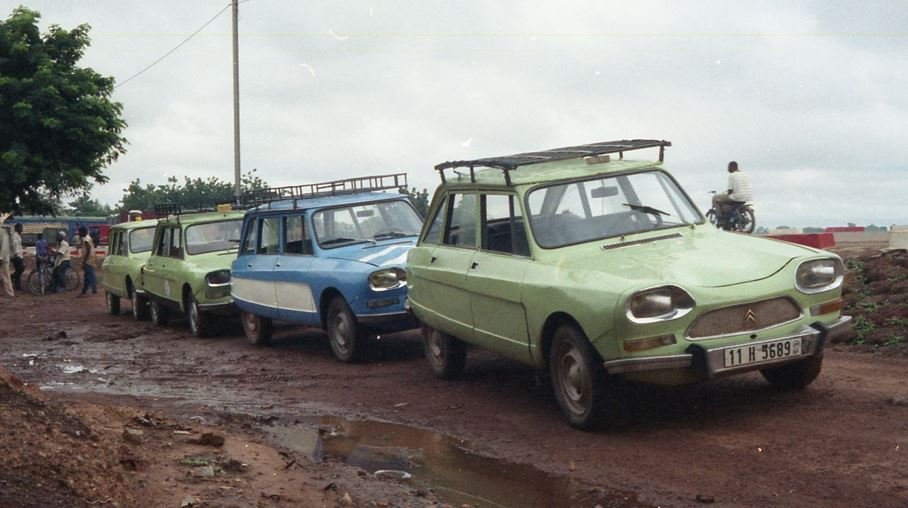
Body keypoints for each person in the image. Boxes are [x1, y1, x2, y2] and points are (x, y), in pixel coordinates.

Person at [77, 226, 97, 296]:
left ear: (83, 232)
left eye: (79, 232)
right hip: (90, 258)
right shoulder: (87, 238)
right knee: (87, 275)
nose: (78, 234)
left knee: (90, 274)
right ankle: (84, 290)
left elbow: (88, 251)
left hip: (88, 259)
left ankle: (93, 288)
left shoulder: (86, 239)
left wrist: (84, 261)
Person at [0, 226, 14, 297]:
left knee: (5, 275)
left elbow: (4, 247)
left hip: (3, 257)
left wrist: (1, 258)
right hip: (3, 257)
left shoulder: (3, 233)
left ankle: (9, 293)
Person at [11, 223, 24, 291]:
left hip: (19, 255)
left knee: (18, 270)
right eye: (20, 228)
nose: (22, 229)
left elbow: (18, 246)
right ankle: (11, 277)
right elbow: (14, 245)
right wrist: (17, 253)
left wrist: (22, 251)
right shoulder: (15, 236)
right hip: (16, 256)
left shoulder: (17, 235)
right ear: (17, 228)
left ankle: (18, 286)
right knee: (21, 269)